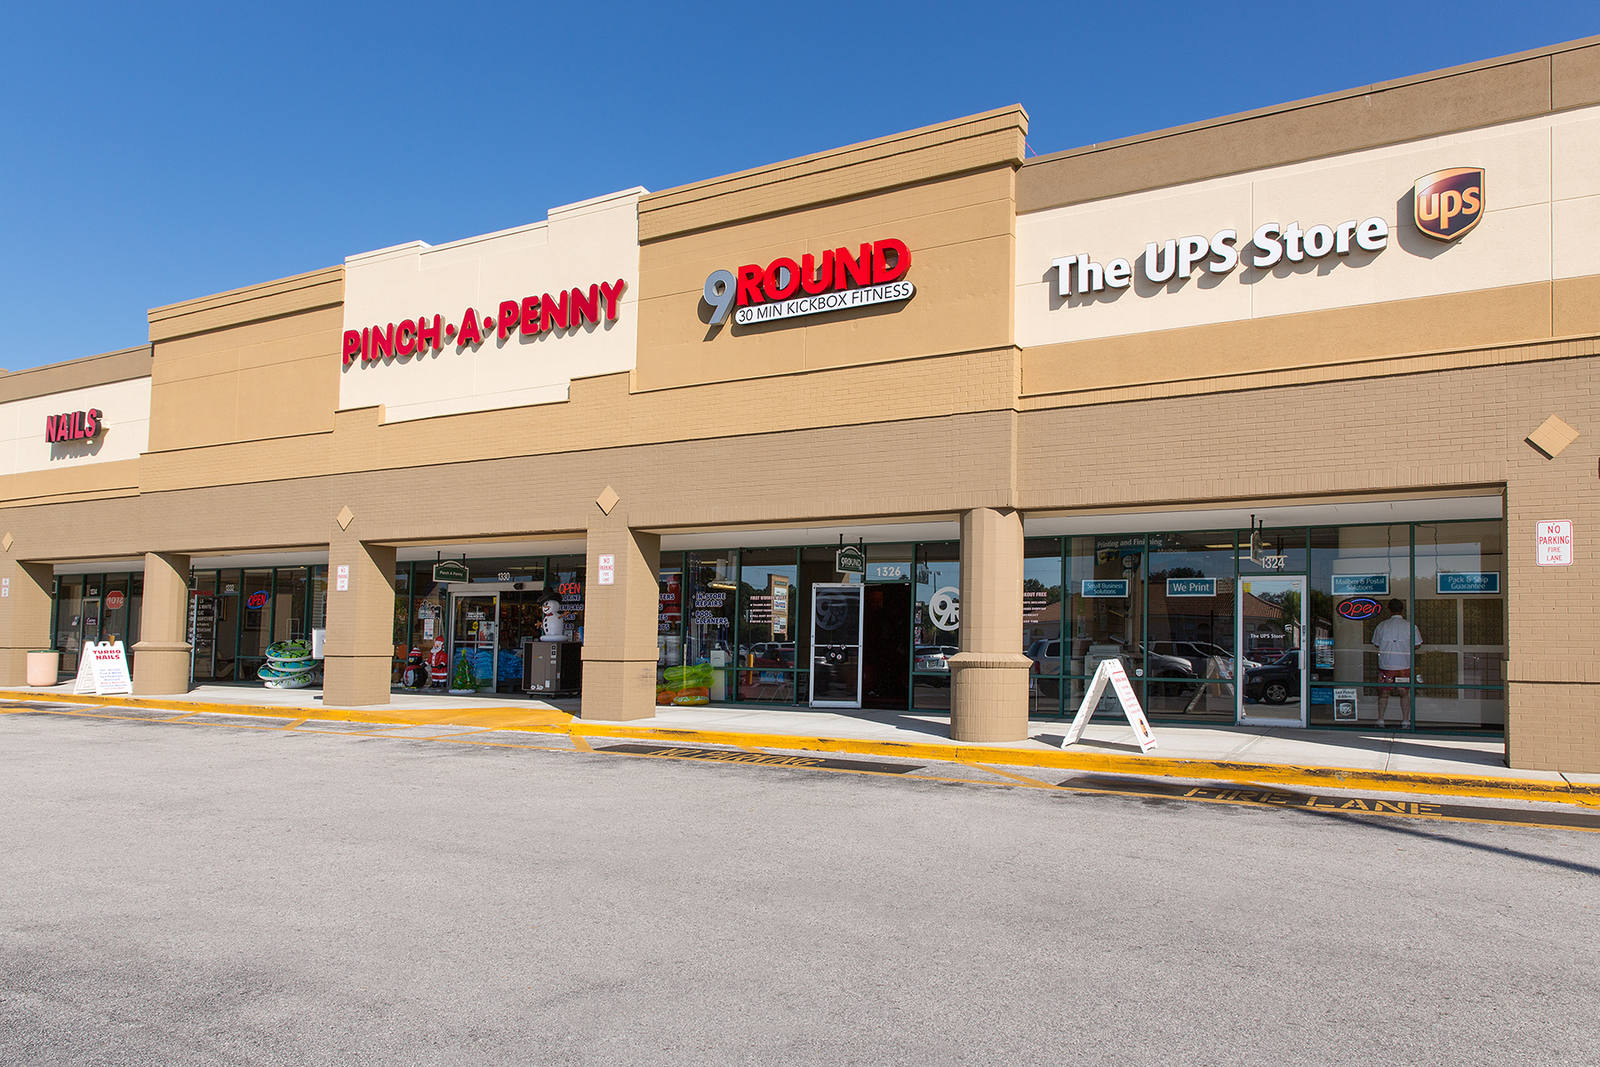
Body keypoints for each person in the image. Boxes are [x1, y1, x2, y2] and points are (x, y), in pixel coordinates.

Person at [1372, 598, 1422, 729]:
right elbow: (1417, 644)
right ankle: (1405, 721)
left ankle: (1380, 720)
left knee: (1384, 693)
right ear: (1402, 610)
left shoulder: (1382, 625)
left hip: (1386, 665)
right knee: (1404, 693)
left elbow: (1376, 644)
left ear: (1389, 609)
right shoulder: (1410, 626)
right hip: (1404, 665)